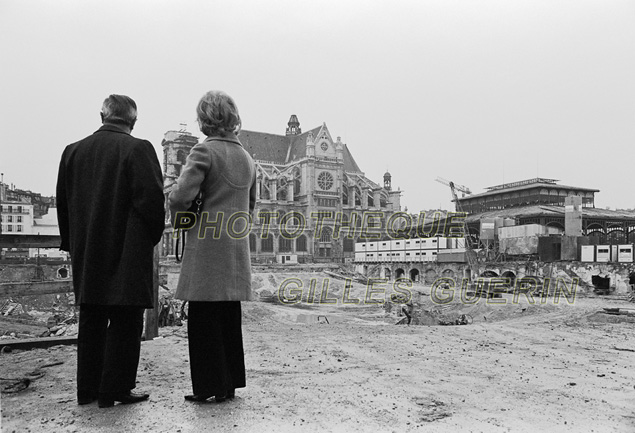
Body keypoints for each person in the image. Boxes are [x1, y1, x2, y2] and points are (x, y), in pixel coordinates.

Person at [56, 95, 165, 408]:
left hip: (88, 251)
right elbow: (151, 203)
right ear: (132, 120)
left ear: (102, 115)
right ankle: (114, 390)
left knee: (90, 319)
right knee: (126, 321)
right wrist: (150, 239)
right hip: (127, 251)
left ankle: (87, 390)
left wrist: (72, 242)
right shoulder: (138, 148)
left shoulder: (72, 151)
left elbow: (62, 203)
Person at [169, 90, 256, 403]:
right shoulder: (247, 158)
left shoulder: (203, 152)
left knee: (203, 319)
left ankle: (208, 387)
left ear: (205, 120)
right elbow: (250, 205)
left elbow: (179, 197)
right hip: (235, 246)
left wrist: (183, 219)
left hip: (208, 246)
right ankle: (229, 384)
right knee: (228, 318)